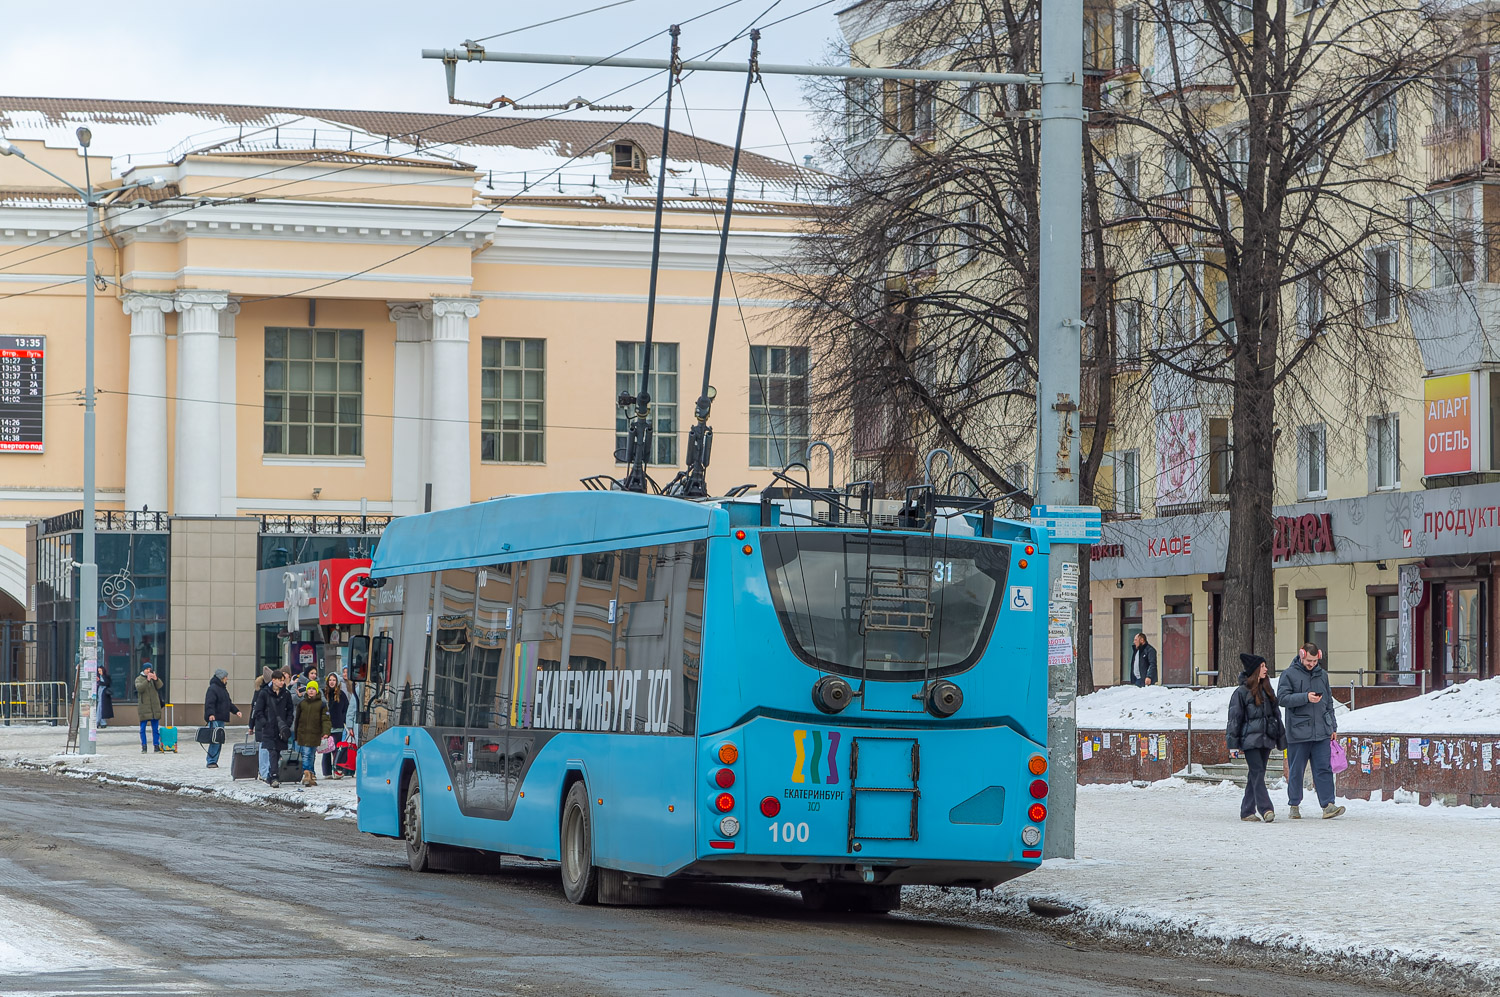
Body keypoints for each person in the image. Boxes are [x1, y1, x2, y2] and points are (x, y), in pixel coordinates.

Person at [1277, 642, 1346, 820]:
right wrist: (1305, 697)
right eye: (1309, 660)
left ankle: (1328, 805)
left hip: (1321, 732)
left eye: (1315, 661)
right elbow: (1282, 699)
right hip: (1297, 733)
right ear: (1301, 655)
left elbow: (1329, 702)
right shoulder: (1288, 674)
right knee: (1296, 770)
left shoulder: (1322, 675)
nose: (1312, 664)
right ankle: (1294, 805)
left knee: (1324, 769)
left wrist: (1332, 727)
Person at [1227, 653, 1285, 823]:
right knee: (1258, 772)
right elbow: (1234, 720)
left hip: (1266, 739)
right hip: (1250, 740)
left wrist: (1281, 737)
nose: (1266, 669)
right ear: (1254, 670)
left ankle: (1246, 810)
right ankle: (1266, 808)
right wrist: (1233, 745)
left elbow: (1276, 715)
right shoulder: (1241, 692)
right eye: (1262, 666)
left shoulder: (1267, 689)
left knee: (1255, 774)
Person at [250, 669, 294, 788]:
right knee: (272, 752)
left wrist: (288, 723)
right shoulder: (264, 693)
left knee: (278, 752)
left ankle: (271, 774)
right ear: (273, 680)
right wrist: (265, 723)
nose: (282, 683)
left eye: (283, 680)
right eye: (280, 680)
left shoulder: (286, 694)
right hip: (269, 728)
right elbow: (258, 710)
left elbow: (290, 710)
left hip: (281, 728)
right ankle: (274, 776)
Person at [293, 679, 331, 787]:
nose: (310, 691)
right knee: (306, 754)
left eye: (313, 689)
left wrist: (325, 732)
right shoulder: (302, 704)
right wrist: (296, 734)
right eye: (309, 688)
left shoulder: (322, 704)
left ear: (317, 691)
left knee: (311, 755)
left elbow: (326, 719)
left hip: (315, 733)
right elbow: (297, 720)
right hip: (303, 733)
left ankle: (310, 774)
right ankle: (306, 774)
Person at [203, 668, 242, 770]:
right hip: (215, 719)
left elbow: (228, 703)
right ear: (221, 678)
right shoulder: (213, 689)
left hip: (221, 718)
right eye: (225, 677)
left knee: (219, 740)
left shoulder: (222, 689)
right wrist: (210, 714)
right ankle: (211, 761)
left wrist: (236, 711)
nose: (227, 679)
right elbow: (209, 703)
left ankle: (214, 760)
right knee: (215, 740)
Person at [322, 673, 349, 779]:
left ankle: (337, 769)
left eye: (334, 680)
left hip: (337, 726)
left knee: (337, 749)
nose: (332, 682)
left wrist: (343, 720)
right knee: (326, 749)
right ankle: (327, 772)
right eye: (330, 680)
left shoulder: (341, 695)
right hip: (326, 726)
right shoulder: (324, 694)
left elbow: (345, 709)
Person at [134, 664, 165, 753]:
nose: (148, 671)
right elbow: (140, 688)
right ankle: (144, 746)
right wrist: (147, 680)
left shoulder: (153, 679)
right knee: (142, 729)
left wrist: (155, 679)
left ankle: (156, 746)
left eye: (149, 669)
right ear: (143, 670)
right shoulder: (138, 679)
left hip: (154, 707)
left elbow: (160, 686)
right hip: (144, 707)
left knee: (155, 729)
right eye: (147, 669)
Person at [94, 664, 114, 728]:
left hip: (104, 694)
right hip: (100, 694)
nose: (99, 672)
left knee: (101, 708)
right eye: (98, 671)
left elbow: (107, 683)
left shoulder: (106, 677)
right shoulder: (99, 677)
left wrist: (99, 682)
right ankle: (102, 722)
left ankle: (98, 721)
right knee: (101, 708)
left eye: (100, 671)